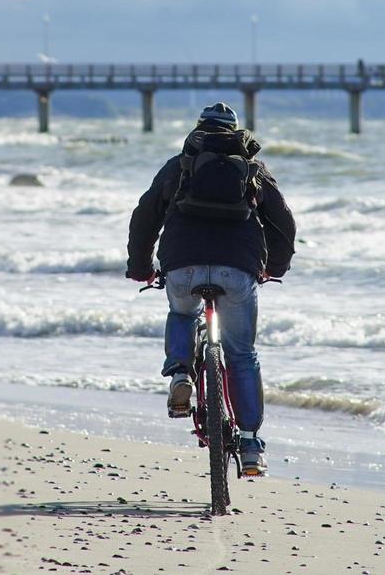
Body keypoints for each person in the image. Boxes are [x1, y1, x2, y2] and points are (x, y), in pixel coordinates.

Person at [126, 101, 296, 477]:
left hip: (182, 263)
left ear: (199, 129)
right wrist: (273, 267)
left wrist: (140, 268)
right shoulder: (253, 169)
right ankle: (251, 444)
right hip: (238, 269)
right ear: (236, 133)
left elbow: (144, 216)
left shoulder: (180, 166)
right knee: (242, 355)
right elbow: (284, 223)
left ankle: (181, 375)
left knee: (182, 312)